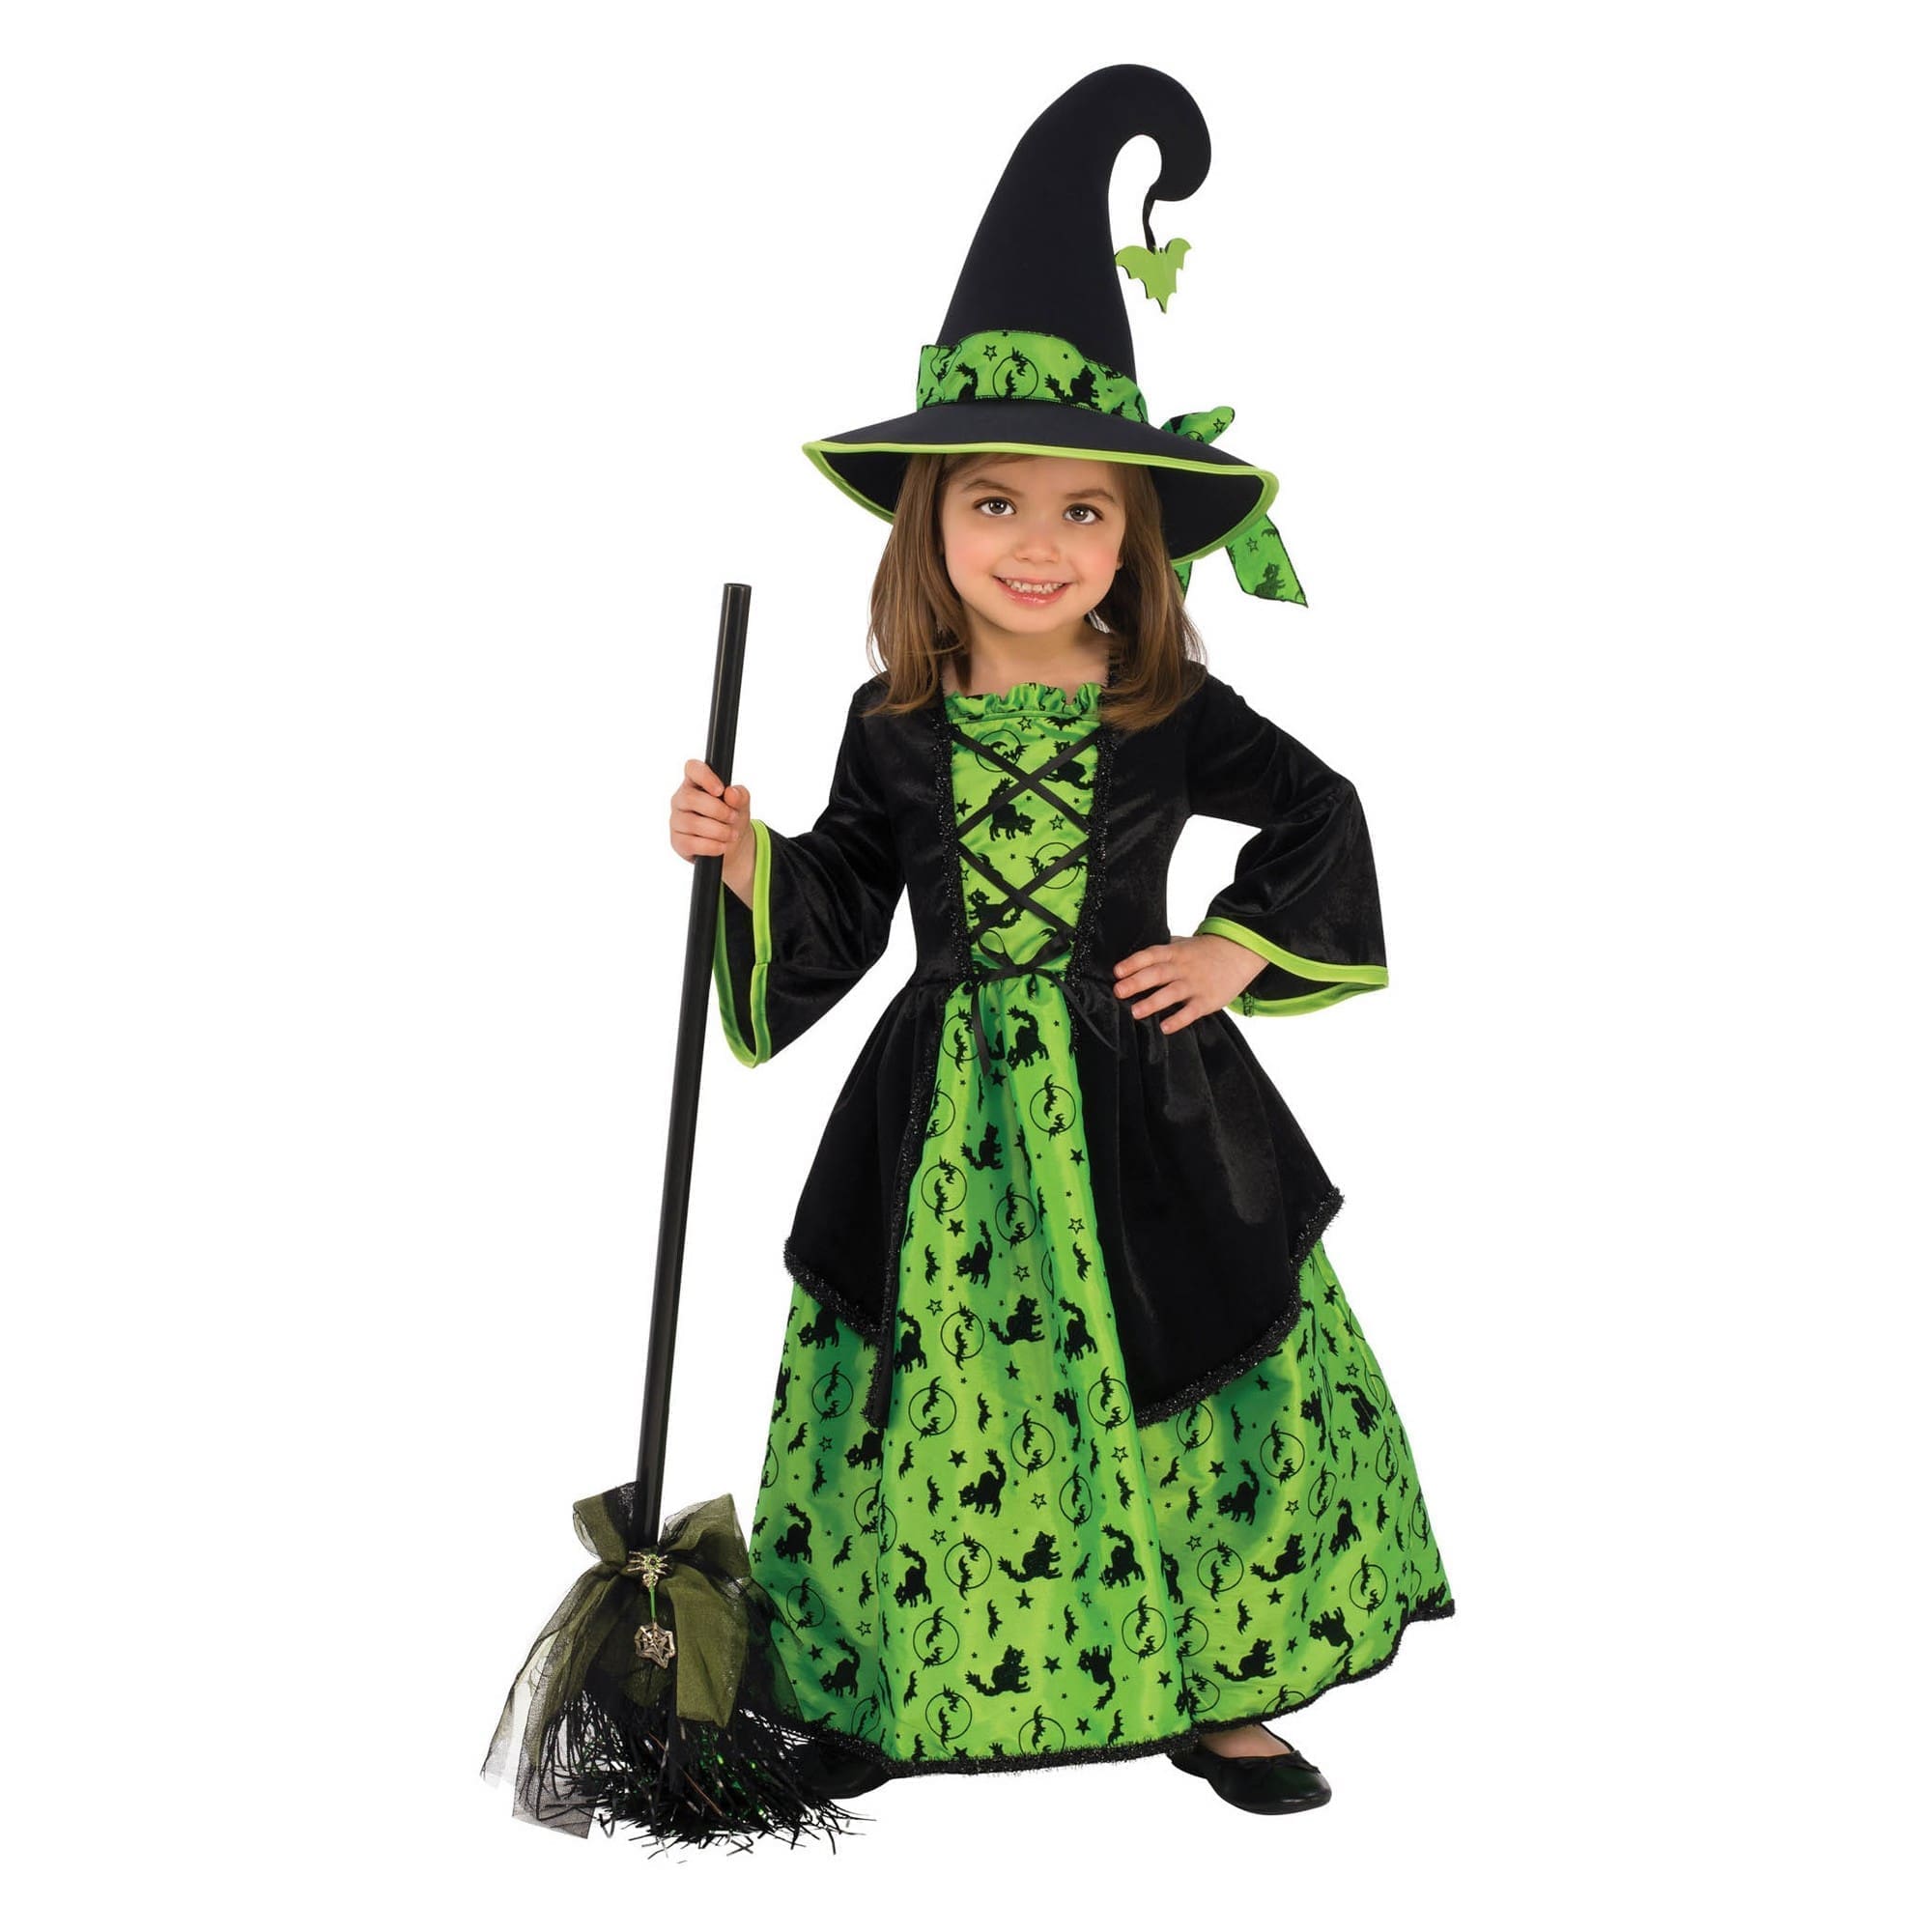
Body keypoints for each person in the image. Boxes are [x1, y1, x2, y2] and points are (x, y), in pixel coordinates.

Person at [668, 67, 1453, 1818]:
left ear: (1136, 537)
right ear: (929, 520)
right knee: (936, 1385)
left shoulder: (1163, 704)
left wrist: (1238, 949)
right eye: (995, 504)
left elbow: (1321, 811)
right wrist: (750, 865)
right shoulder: (895, 719)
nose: (1038, 545)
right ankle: (888, 1679)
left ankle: (1222, 1687)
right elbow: (847, 894)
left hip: (1145, 1103)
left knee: (1191, 1357)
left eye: (1084, 510)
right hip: (946, 1128)